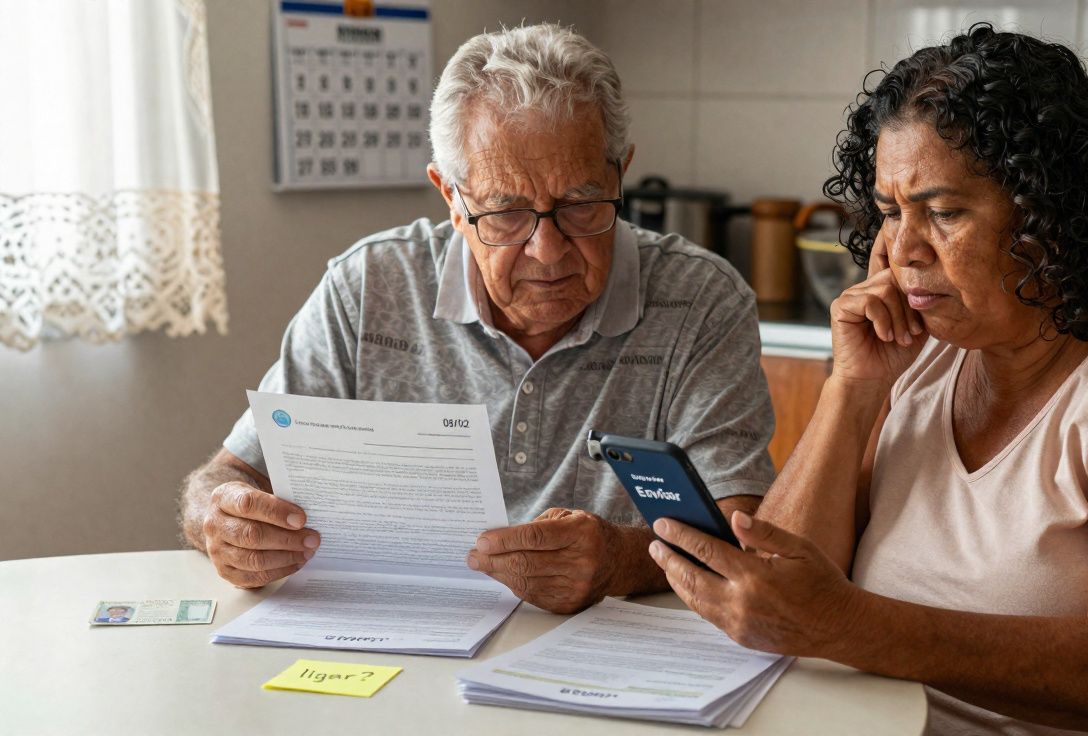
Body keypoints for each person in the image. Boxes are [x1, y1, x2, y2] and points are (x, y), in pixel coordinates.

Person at [646, 24, 1088, 735]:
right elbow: (771, 597)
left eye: (944, 212)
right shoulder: (927, 354)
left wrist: (847, 624)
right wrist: (853, 390)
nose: (903, 251)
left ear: (1050, 214)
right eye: (890, 213)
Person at [178, 24, 774, 614]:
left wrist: (619, 559)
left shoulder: (700, 301)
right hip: (399, 641)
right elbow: (230, 475)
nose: (547, 249)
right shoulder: (369, 289)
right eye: (507, 211)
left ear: (620, 175)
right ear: (451, 198)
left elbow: (737, 530)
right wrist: (222, 521)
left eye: (579, 204)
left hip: (604, 659)